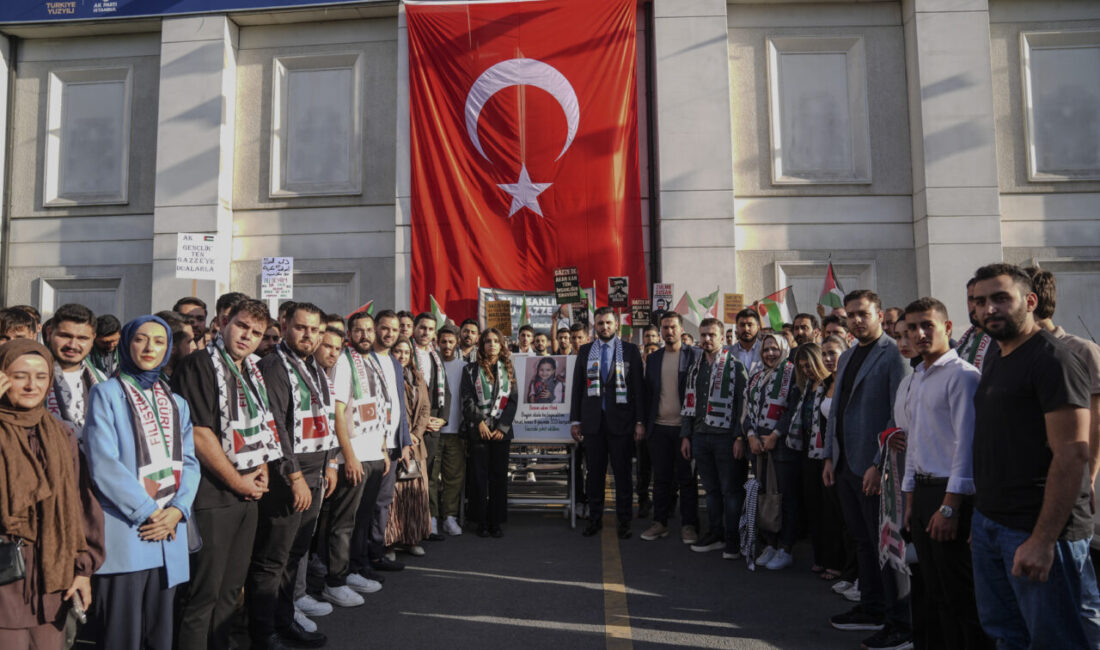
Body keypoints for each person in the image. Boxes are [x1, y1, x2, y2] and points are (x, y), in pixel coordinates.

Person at [968, 263, 1100, 648]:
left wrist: (1043, 540)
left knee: (1055, 640)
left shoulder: (1053, 359)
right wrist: (982, 520)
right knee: (1006, 634)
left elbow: (1072, 456)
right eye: (979, 301)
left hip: (1038, 529)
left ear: (1029, 301)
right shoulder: (995, 353)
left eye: (1000, 298)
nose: (988, 308)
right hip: (992, 522)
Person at [172, 299, 283, 650]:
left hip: (248, 492)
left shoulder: (252, 369)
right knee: (204, 593)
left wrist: (262, 468)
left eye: (257, 333)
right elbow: (200, 434)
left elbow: (261, 424)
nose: (247, 337)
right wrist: (238, 481)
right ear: (223, 322)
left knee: (232, 591)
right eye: (242, 326)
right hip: (213, 494)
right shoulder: (198, 365)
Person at [85, 316, 199, 650]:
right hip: (130, 531)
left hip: (170, 532)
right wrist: (150, 511)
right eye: (141, 339)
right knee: (122, 635)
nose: (150, 348)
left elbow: (190, 462)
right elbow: (103, 463)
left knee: (160, 635)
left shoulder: (175, 402)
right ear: (126, 343)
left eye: (159, 342)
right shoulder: (105, 394)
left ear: (168, 349)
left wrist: (178, 510)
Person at [896, 297, 990, 650]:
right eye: (911, 328)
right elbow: (916, 444)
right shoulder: (919, 376)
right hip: (922, 496)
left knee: (960, 596)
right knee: (933, 593)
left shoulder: (963, 377)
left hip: (949, 497)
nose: (919, 334)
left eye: (927, 326)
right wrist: (909, 501)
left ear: (947, 329)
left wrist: (950, 506)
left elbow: (966, 447)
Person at [0, 340, 104, 650]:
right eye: (19, 375)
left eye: (42, 376)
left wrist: (83, 569)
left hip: (51, 577)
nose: (32, 385)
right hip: (5, 578)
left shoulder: (60, 433)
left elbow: (80, 501)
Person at [823, 289, 912, 650]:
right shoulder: (846, 357)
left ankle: (900, 623)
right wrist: (830, 457)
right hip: (845, 463)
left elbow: (898, 415)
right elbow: (837, 410)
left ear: (878, 314)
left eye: (863, 313)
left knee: (888, 548)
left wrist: (879, 464)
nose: (856, 320)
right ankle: (872, 608)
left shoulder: (894, 354)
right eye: (850, 315)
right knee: (862, 542)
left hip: (876, 468)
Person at [250, 303, 338, 648]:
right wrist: (295, 475)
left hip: (317, 474)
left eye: (316, 330)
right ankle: (263, 632)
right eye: (302, 328)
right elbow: (275, 427)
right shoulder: (274, 365)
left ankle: (284, 621)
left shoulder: (312, 367)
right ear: (285, 325)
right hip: (290, 479)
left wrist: (331, 462)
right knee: (273, 560)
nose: (309, 336)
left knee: (295, 555)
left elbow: (324, 417)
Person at [324, 311, 387, 611]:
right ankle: (334, 581)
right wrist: (347, 456)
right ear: (350, 333)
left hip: (375, 453)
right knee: (343, 523)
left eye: (369, 330)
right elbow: (337, 411)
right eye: (359, 330)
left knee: (362, 520)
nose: (365, 335)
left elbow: (380, 406)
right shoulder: (343, 363)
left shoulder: (373, 360)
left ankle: (354, 570)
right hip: (354, 456)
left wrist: (384, 449)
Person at [571, 307, 645, 539]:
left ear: (617, 324)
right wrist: (575, 420)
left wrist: (640, 421)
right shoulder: (584, 351)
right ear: (595, 325)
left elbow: (639, 391)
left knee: (623, 475)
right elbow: (577, 389)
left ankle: (624, 521)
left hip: (621, 423)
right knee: (594, 475)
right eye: (600, 323)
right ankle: (595, 519)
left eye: (608, 323)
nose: (604, 327)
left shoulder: (631, 351)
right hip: (593, 424)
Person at [679, 317, 748, 558]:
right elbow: (689, 403)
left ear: (722, 337)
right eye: (704, 335)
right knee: (710, 490)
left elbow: (744, 405)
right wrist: (686, 435)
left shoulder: (735, 366)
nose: (707, 339)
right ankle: (716, 533)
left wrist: (740, 437)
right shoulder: (695, 367)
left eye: (712, 335)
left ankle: (733, 539)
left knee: (731, 490)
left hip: (726, 438)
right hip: (700, 436)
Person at [1027, 266, 1100, 492]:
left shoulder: (1082, 350)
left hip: (1068, 477)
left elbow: (1097, 420)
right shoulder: (1013, 353)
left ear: (1031, 301)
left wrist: (1088, 477)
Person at [785, 342, 847, 581]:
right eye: (802, 367)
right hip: (806, 455)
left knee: (830, 512)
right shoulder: (805, 387)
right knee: (813, 509)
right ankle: (821, 558)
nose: (808, 370)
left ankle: (835, 562)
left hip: (827, 455)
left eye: (810, 364)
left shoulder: (832, 385)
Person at [641, 312, 701, 543]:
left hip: (684, 430)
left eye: (672, 327)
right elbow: (648, 394)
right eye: (664, 328)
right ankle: (660, 523)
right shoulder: (654, 358)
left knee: (686, 479)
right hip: (658, 429)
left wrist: (690, 430)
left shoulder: (694, 355)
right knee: (662, 479)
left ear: (681, 329)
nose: (668, 331)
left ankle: (689, 525)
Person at [362, 311, 414, 573]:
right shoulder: (362, 359)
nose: (390, 334)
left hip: (393, 445)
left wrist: (404, 441)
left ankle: (376, 552)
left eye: (395, 330)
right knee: (365, 506)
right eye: (385, 328)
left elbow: (400, 406)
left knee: (383, 503)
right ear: (374, 330)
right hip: (370, 446)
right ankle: (358, 559)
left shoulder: (394, 363)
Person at [745, 332, 797, 569]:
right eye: (765, 349)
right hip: (759, 448)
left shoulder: (793, 373)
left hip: (782, 447)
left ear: (784, 349)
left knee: (784, 497)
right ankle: (771, 543)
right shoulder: (756, 378)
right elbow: (746, 412)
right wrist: (751, 436)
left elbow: (792, 410)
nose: (770, 353)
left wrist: (776, 435)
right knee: (765, 496)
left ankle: (786, 547)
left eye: (774, 348)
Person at [461, 328, 519, 537]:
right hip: (479, 432)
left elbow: (512, 402)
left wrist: (502, 428)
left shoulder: (508, 370)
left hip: (501, 434)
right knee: (478, 477)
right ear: (481, 345)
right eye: (487, 341)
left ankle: (496, 521)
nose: (492, 344)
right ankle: (480, 521)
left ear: (501, 345)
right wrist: (480, 423)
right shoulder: (470, 370)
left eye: (496, 341)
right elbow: (467, 399)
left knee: (498, 477)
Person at [387, 338, 431, 555]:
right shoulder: (387, 376)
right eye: (398, 351)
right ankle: (391, 542)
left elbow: (425, 410)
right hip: (395, 445)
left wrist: (415, 434)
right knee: (395, 497)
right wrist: (404, 437)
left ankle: (412, 540)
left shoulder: (419, 378)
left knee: (416, 495)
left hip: (416, 445)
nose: (403, 356)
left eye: (406, 352)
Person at [410, 313, 450, 541]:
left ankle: (430, 521)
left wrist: (443, 419)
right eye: (422, 327)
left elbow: (447, 392)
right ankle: (411, 529)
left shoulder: (436, 357)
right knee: (409, 479)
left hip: (433, 425)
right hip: (412, 426)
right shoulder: (406, 354)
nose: (426, 332)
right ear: (415, 329)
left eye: (430, 329)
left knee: (430, 476)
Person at [45, 303, 106, 440]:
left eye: (82, 338)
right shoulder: (30, 377)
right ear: (49, 333)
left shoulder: (100, 379)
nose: (72, 345)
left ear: (93, 340)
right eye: (65, 336)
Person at [435, 324, 467, 536]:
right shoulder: (430, 365)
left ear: (457, 343)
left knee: (453, 478)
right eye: (443, 341)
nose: (447, 346)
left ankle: (449, 517)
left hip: (456, 432)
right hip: (433, 433)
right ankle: (431, 518)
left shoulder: (464, 367)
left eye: (450, 341)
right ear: (437, 343)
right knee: (429, 478)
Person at [155, 311, 196, 381]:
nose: (194, 347)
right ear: (171, 347)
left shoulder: (188, 379)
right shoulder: (149, 384)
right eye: (189, 342)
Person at [732, 308, 762, 375]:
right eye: (742, 325)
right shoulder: (728, 353)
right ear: (737, 328)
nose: (746, 329)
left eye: (750, 325)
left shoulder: (766, 352)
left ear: (758, 327)